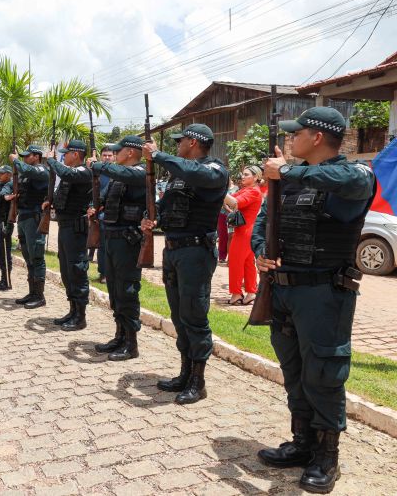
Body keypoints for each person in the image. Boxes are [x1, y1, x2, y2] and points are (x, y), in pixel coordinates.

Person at [253, 107, 376, 494]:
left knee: (323, 374)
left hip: (324, 294)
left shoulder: (355, 175)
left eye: (297, 132)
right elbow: (262, 223)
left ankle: (327, 458)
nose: (291, 138)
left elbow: (349, 179)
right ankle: (303, 443)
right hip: (284, 289)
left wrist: (287, 170)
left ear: (318, 137)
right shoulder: (287, 179)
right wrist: (260, 251)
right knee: (293, 369)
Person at [141, 124, 228, 405]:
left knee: (194, 316)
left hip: (195, 253)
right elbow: (168, 205)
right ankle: (184, 372)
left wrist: (159, 155)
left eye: (181, 142)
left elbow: (195, 173)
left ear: (192, 142)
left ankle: (198, 381)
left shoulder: (214, 170)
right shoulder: (179, 174)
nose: (177, 145)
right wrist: (152, 217)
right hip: (174, 250)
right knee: (179, 315)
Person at [88, 136, 146, 360]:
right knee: (114, 289)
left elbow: (125, 175)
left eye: (118, 151)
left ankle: (131, 343)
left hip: (128, 241)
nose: (114, 154)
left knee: (127, 291)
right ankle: (120, 335)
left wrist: (100, 166)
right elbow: (103, 198)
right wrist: (95, 206)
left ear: (130, 152)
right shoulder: (117, 176)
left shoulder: (141, 172)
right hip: (111, 238)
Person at [44, 140, 93, 330]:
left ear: (76, 154)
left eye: (67, 153)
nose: (64, 156)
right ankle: (72, 310)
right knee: (66, 270)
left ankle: (80, 316)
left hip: (75, 228)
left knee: (76, 269)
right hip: (65, 226)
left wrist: (51, 160)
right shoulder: (70, 174)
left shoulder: (83, 172)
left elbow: (65, 173)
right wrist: (50, 202)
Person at [9, 145, 49, 309]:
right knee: (28, 257)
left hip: (34, 218)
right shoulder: (26, 173)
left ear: (36, 156)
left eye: (28, 156)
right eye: (23, 156)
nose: (25, 158)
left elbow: (26, 171)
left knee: (36, 257)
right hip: (24, 217)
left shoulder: (41, 170)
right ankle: (32, 292)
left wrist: (16, 160)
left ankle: (39, 296)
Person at [225, 165, 263, 305]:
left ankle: (236, 294)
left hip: (245, 231)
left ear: (256, 177)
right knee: (248, 263)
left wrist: (218, 190)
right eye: (243, 174)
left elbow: (235, 202)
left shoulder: (253, 191)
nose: (243, 176)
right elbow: (231, 200)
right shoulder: (247, 189)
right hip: (247, 230)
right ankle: (251, 292)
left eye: (246, 174)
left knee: (235, 261)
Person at [94, 145, 115, 284]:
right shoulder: (97, 172)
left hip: (114, 213)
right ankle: (103, 273)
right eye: (104, 155)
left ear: (114, 157)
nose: (107, 158)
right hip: (100, 213)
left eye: (109, 155)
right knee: (101, 246)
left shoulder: (117, 171)